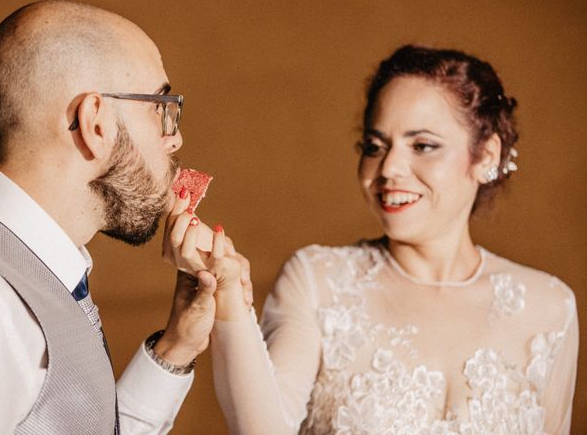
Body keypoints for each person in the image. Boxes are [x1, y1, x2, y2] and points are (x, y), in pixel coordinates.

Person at [185, 45, 579, 434]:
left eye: (423, 145)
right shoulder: (318, 281)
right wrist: (230, 297)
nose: (389, 168)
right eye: (375, 147)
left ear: (486, 156)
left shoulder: (550, 306)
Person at [0, 0, 248, 435]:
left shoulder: (27, 271)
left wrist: (177, 347)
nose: (175, 136)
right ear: (96, 123)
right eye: (160, 108)